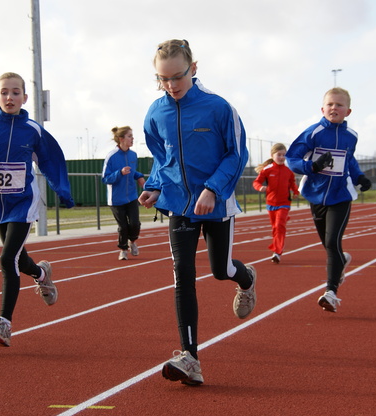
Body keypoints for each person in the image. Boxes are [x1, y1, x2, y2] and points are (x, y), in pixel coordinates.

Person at [139, 39, 256, 386]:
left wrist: (213, 189)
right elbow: (163, 158)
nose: (171, 86)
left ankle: (245, 279)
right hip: (179, 206)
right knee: (182, 274)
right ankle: (190, 356)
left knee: (221, 270)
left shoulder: (218, 108)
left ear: (194, 68)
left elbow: (236, 155)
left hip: (216, 204)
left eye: (178, 76)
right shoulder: (155, 112)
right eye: (163, 79)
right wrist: (155, 185)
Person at [0, 72, 74, 347]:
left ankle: (4, 324)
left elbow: (52, 159)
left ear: (24, 98)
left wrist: (63, 189)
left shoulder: (33, 130)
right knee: (19, 259)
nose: (9, 97)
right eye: (4, 92)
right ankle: (42, 274)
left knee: (6, 259)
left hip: (23, 202)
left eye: (15, 92)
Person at [286, 87, 371, 313]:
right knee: (328, 244)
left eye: (339, 105)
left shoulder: (351, 136)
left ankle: (331, 292)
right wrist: (311, 167)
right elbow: (291, 157)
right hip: (316, 195)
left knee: (333, 242)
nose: (334, 108)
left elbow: (349, 160)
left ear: (348, 111)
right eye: (330, 104)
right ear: (322, 109)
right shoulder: (313, 133)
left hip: (341, 196)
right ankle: (341, 260)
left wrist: (359, 176)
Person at [101, 126, 146, 260]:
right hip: (116, 199)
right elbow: (105, 178)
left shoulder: (133, 155)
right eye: (129, 136)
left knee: (134, 223)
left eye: (132, 136)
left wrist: (139, 176)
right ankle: (123, 250)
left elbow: (132, 172)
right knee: (123, 226)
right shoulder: (111, 156)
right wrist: (119, 173)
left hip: (131, 196)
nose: (132, 139)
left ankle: (133, 242)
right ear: (121, 139)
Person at [253, 143, 299, 263]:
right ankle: (276, 247)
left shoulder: (288, 171)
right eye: (279, 155)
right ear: (272, 155)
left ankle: (277, 252)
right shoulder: (267, 170)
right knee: (275, 227)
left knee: (279, 226)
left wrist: (295, 191)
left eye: (284, 155)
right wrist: (260, 187)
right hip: (271, 203)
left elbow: (292, 183)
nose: (282, 157)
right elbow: (256, 182)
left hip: (284, 203)